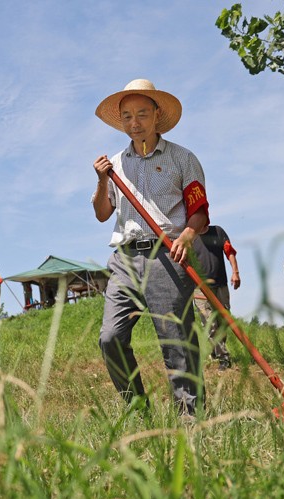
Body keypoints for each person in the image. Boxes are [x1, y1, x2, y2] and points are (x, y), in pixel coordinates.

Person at [91, 78, 210, 416]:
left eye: (141, 114)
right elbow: (102, 214)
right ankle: (136, 407)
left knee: (176, 340)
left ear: (157, 115)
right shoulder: (114, 166)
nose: (134, 123)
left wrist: (187, 235)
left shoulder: (182, 159)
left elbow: (199, 211)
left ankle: (190, 418)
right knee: (110, 337)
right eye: (127, 116)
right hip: (125, 259)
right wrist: (102, 180)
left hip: (167, 256)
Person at [193, 225, 241, 370]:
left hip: (220, 284)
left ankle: (216, 351)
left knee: (223, 321)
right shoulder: (189, 236)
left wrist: (235, 272)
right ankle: (224, 358)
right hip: (199, 288)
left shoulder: (218, 231)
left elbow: (229, 251)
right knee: (209, 323)